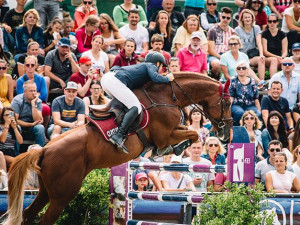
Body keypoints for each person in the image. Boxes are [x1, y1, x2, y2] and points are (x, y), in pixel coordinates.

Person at [101, 52, 174, 154]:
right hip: (114, 81)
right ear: (158, 63)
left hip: (107, 79)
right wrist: (167, 78)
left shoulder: (142, 68)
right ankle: (118, 135)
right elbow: (155, 78)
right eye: (162, 66)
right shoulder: (150, 65)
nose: (161, 70)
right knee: (136, 106)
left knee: (127, 106)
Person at [16, 56, 50, 130]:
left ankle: (44, 130)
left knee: (46, 108)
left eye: (32, 65)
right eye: (28, 65)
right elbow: (21, 96)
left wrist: (34, 98)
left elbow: (44, 95)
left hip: (38, 102)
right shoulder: (20, 81)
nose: (30, 67)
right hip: (24, 103)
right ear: (25, 66)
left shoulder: (41, 79)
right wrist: (37, 94)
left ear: (36, 66)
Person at [11, 80, 45, 147]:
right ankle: (15, 154)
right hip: (20, 128)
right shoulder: (17, 101)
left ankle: (40, 153)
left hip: (32, 129)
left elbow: (38, 120)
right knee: (16, 127)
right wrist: (30, 124)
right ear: (25, 92)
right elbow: (15, 120)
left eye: (34, 91)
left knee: (40, 128)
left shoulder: (37, 101)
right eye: (31, 91)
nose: (33, 93)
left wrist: (33, 104)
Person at [235, 9, 265, 81]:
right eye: (245, 17)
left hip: (251, 56)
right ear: (242, 19)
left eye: (249, 17)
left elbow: (259, 42)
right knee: (244, 64)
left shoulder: (256, 28)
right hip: (241, 56)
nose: (247, 19)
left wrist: (261, 54)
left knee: (260, 60)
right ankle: (258, 81)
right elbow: (235, 44)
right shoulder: (237, 29)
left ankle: (262, 81)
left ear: (252, 18)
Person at [229, 61, 261, 125]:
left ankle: (255, 131)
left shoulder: (252, 81)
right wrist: (228, 109)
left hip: (250, 105)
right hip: (237, 105)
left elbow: (256, 98)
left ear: (247, 70)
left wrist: (259, 110)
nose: (241, 69)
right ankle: (237, 129)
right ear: (236, 70)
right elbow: (231, 97)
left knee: (258, 114)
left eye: (243, 68)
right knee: (240, 113)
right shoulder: (233, 80)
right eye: (239, 68)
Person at [207, 7, 235, 80]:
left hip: (228, 55)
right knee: (216, 65)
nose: (225, 19)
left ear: (230, 19)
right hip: (215, 55)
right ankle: (215, 83)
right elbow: (210, 51)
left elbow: (234, 48)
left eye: (228, 18)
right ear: (220, 17)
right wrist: (222, 57)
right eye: (223, 17)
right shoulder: (213, 30)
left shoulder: (232, 32)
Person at [262, 13, 288, 77]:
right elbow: (265, 52)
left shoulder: (282, 34)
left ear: (277, 22)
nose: (272, 23)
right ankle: (273, 82)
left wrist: (282, 57)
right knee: (274, 60)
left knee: (289, 62)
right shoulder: (265, 34)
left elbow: (285, 51)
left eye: (274, 21)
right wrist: (277, 57)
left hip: (279, 58)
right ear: (267, 22)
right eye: (270, 21)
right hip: (268, 58)